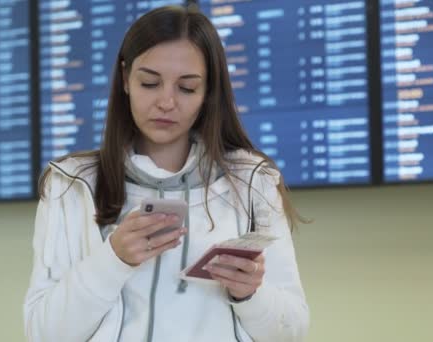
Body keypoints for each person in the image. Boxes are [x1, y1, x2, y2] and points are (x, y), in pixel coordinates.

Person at [23, 5, 309, 342]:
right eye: (149, 83)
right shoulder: (71, 185)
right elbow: (43, 334)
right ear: (126, 79)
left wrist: (249, 296)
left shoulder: (252, 183)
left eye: (187, 88)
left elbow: (292, 333)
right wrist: (112, 259)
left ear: (208, 93)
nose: (166, 102)